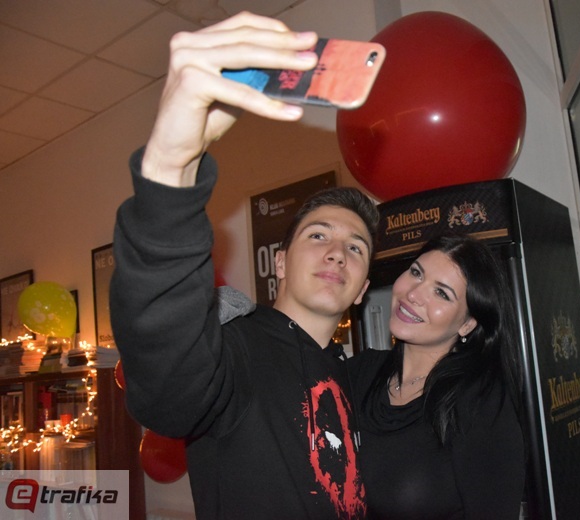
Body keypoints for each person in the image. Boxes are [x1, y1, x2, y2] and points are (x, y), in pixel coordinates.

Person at [109, 12, 379, 519]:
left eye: (356, 248)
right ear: (279, 262)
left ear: (363, 288)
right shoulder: (233, 352)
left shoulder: (353, 377)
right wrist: (170, 168)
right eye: (318, 235)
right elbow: (169, 392)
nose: (337, 252)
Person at [348, 233, 526, 519]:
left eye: (442, 293)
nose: (414, 294)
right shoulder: (359, 372)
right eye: (416, 273)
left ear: (468, 324)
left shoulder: (479, 404)